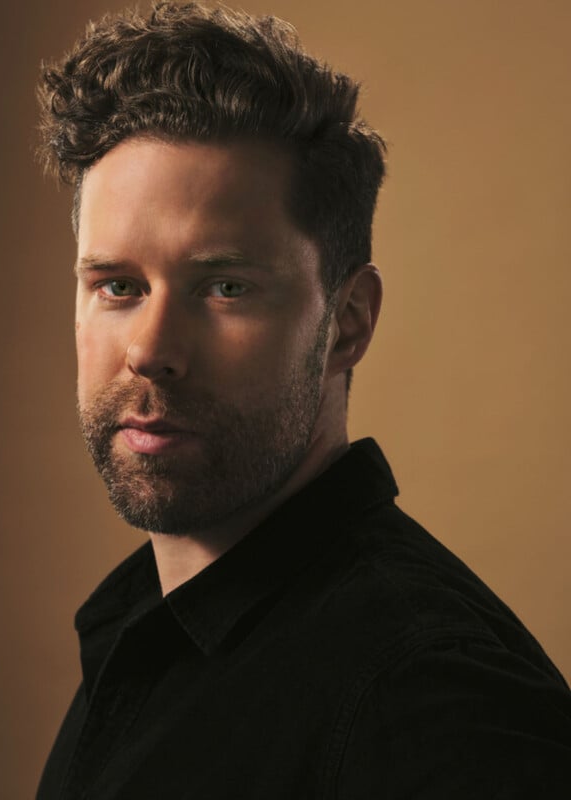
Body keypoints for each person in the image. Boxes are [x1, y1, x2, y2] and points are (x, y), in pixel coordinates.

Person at [35, 3, 571, 797]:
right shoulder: (145, 632)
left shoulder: (430, 702)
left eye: (224, 287)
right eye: (117, 285)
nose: (150, 349)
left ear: (347, 323)